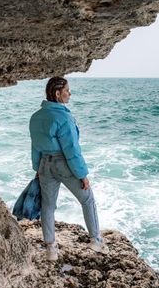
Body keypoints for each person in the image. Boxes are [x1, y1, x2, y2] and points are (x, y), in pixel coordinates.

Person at [29, 76, 109, 261]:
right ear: (58, 94)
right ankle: (96, 240)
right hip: (63, 163)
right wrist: (82, 175)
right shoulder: (63, 116)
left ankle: (51, 249)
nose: (70, 93)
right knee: (87, 199)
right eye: (67, 90)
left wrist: (37, 168)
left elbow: (35, 146)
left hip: (44, 164)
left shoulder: (36, 117)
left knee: (48, 206)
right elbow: (71, 149)